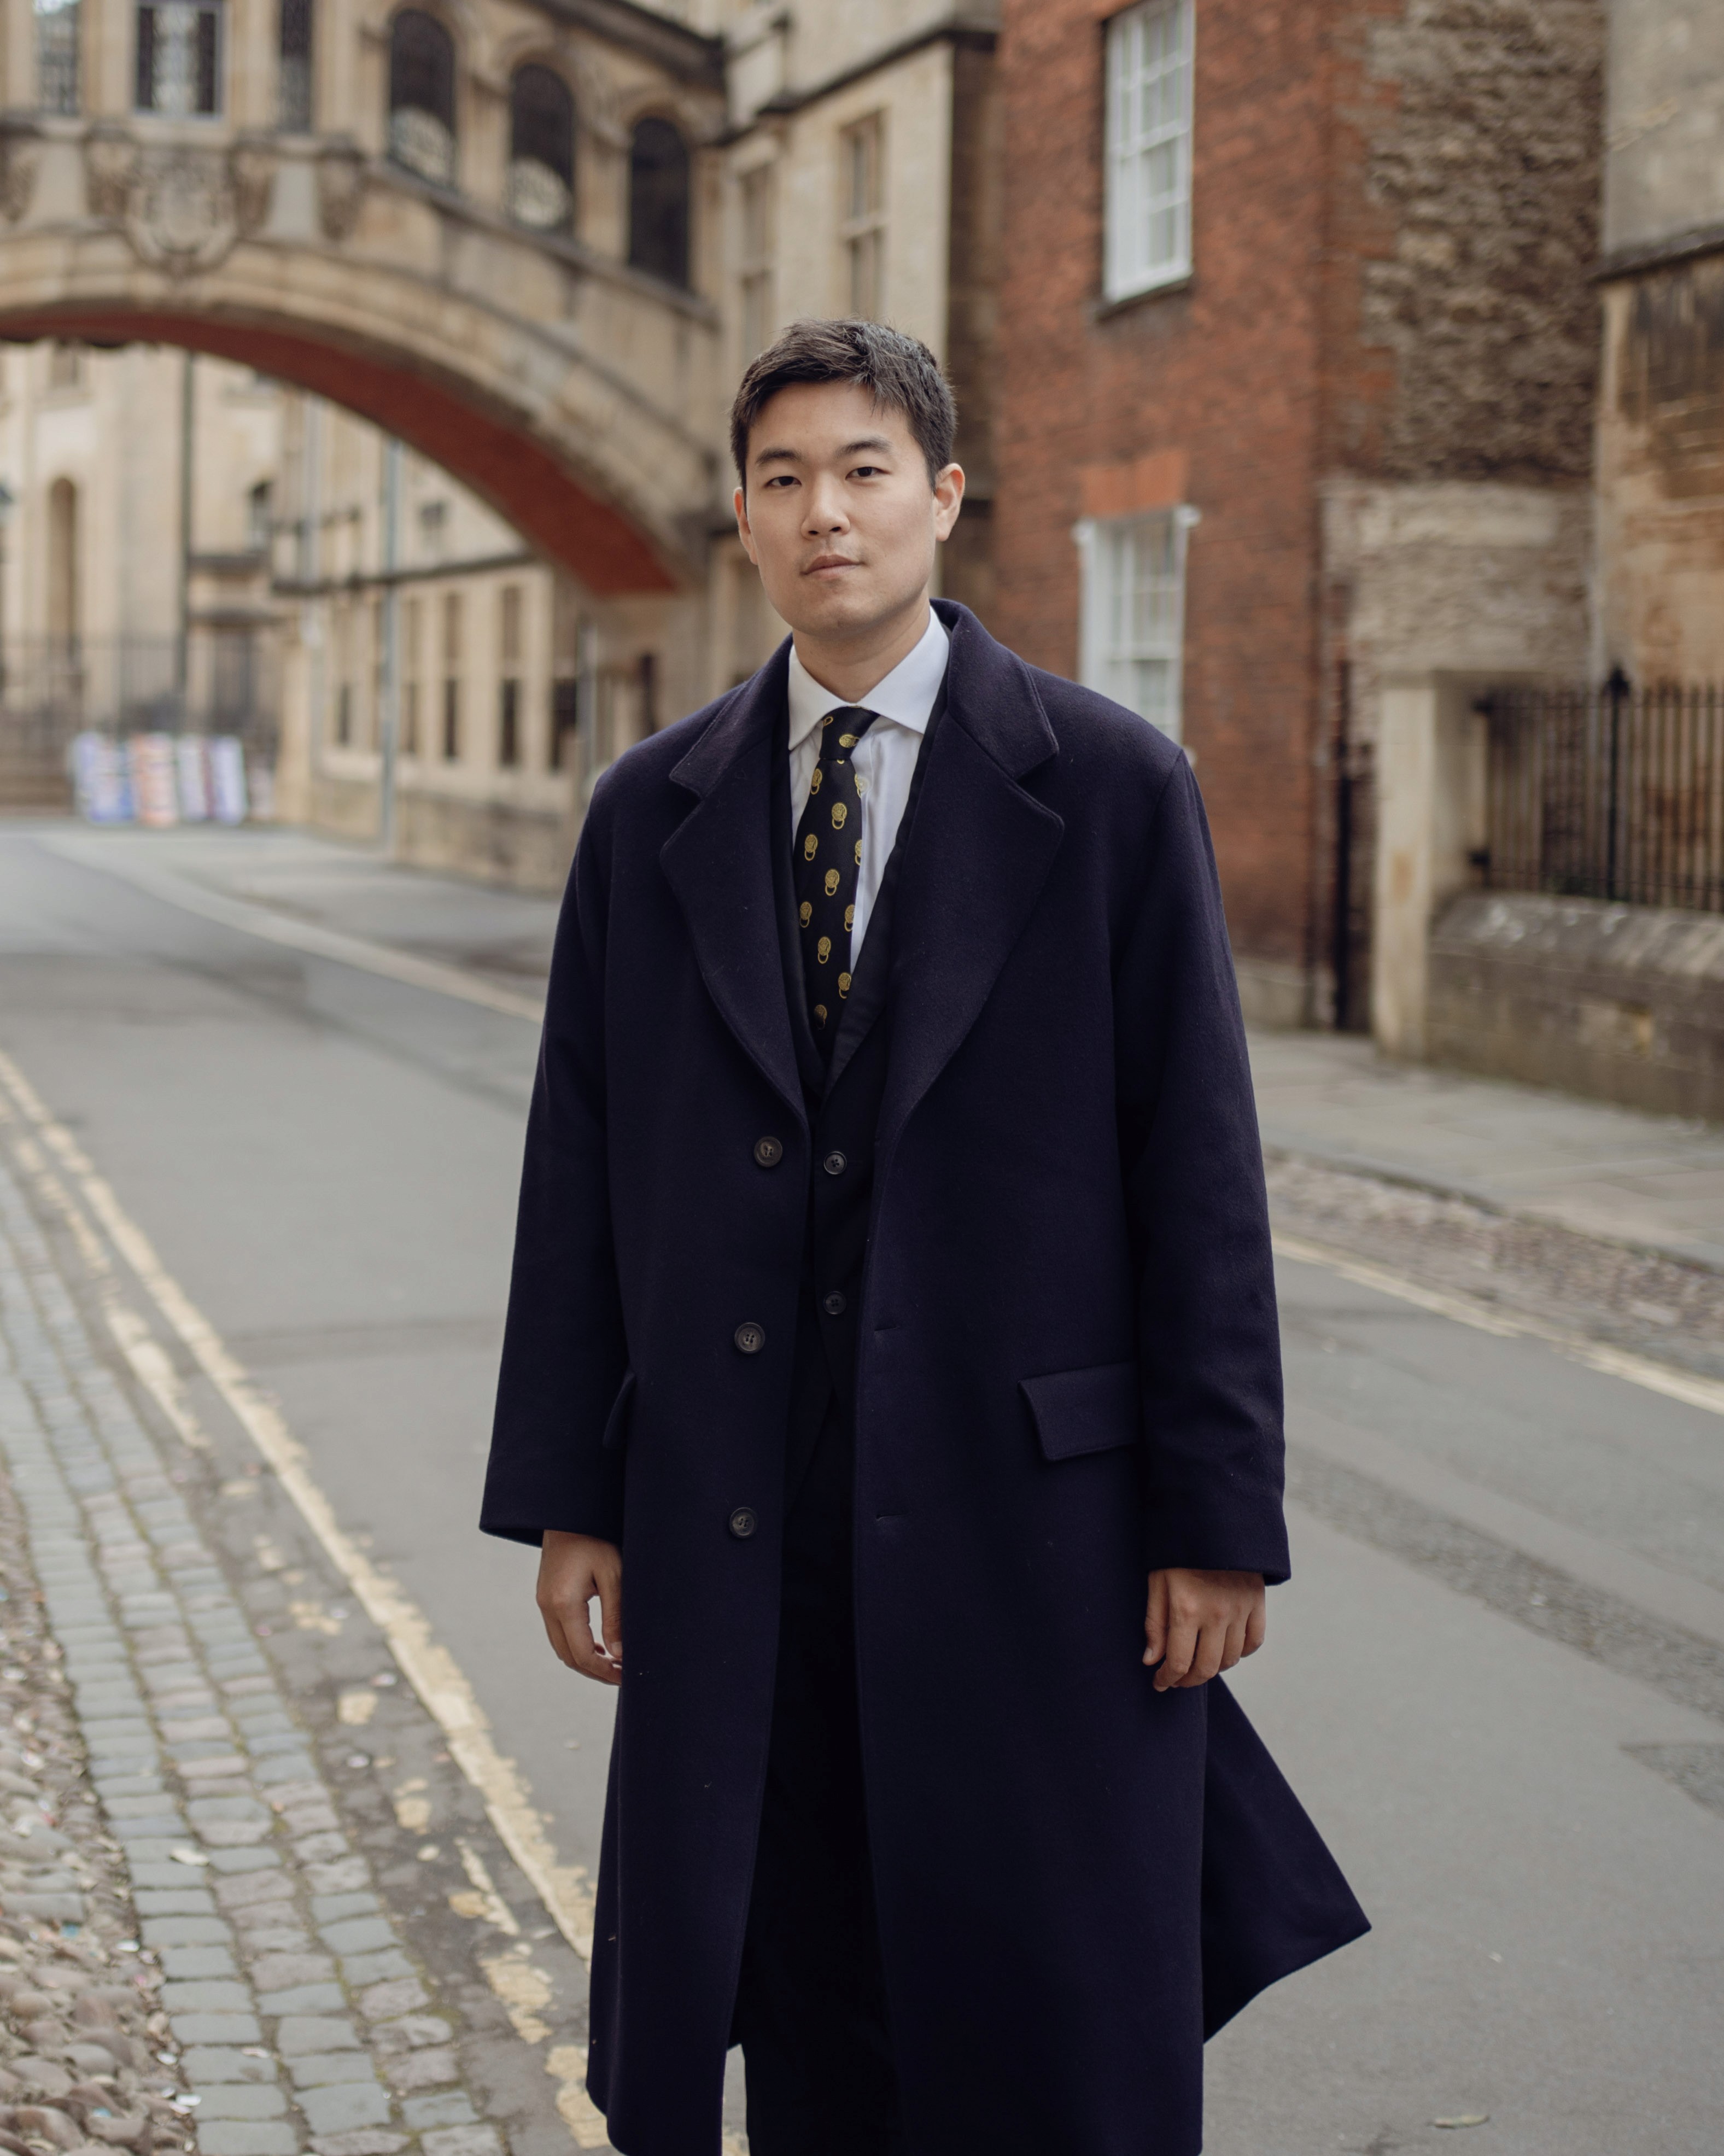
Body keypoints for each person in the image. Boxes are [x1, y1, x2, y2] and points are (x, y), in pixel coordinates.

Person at [481, 318, 1367, 2156]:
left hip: (1030, 1523)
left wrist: (1216, 1524)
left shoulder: (1114, 788)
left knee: (1038, 2013)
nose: (828, 514)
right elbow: (577, 1172)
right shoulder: (650, 810)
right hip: (743, 1520)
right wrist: (578, 1493)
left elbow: (1195, 1174)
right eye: (785, 478)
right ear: (740, 517)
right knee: (791, 1975)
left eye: (865, 471)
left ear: (945, 498)